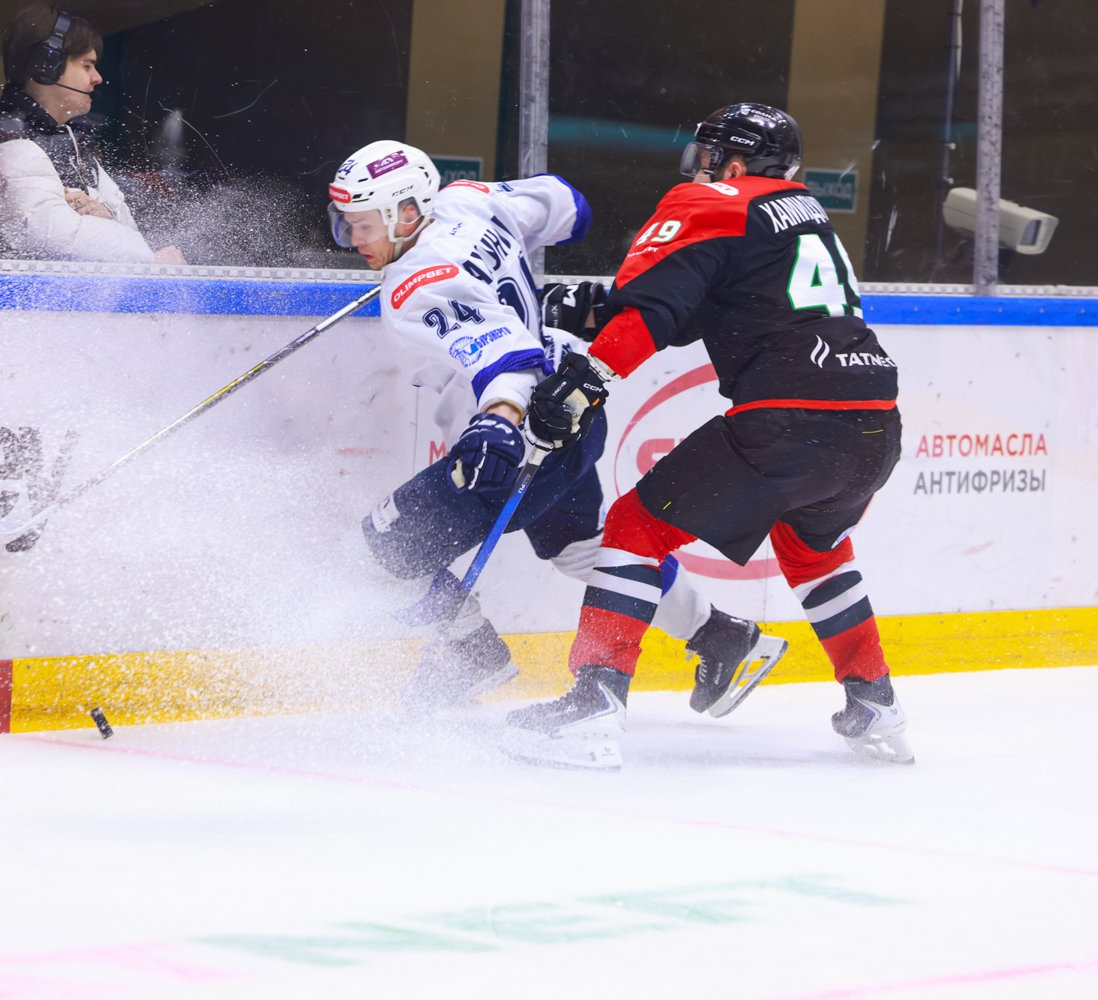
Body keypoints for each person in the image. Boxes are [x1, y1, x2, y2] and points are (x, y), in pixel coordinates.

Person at [502, 103, 911, 768]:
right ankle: (875, 700)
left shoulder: (713, 200)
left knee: (635, 526)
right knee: (814, 549)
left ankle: (594, 702)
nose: (698, 169)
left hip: (789, 417)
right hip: (873, 423)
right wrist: (599, 309)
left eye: (709, 157)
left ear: (736, 164)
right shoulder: (805, 213)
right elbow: (712, 305)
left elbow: (656, 311)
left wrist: (586, 378)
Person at [328, 140, 786, 713]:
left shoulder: (418, 284)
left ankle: (472, 656)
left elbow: (505, 360)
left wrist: (498, 423)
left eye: (363, 224)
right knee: (579, 547)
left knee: (377, 552)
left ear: (407, 214)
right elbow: (569, 207)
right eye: (347, 223)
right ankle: (722, 637)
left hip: (523, 436)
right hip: (573, 409)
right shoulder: (468, 199)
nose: (353, 238)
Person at [0, 5, 185, 264]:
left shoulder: (73, 148)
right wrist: (151, 260)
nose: (97, 78)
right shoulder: (14, 149)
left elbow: (124, 226)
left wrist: (103, 214)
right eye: (87, 66)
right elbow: (56, 236)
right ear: (47, 65)